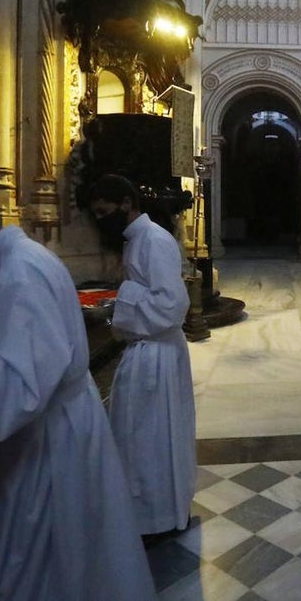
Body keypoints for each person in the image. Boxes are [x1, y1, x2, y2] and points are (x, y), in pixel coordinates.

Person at [0, 179, 155, 601]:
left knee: (45, 556)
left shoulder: (19, 271)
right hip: (65, 420)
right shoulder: (26, 257)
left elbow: (29, 384)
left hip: (52, 436)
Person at [88, 174, 196, 539]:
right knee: (141, 438)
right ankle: (148, 516)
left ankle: (160, 519)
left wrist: (125, 300)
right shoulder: (136, 239)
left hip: (159, 354)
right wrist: (121, 303)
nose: (101, 220)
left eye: (104, 211)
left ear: (126, 203)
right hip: (147, 348)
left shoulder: (154, 240)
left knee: (151, 440)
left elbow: (173, 304)